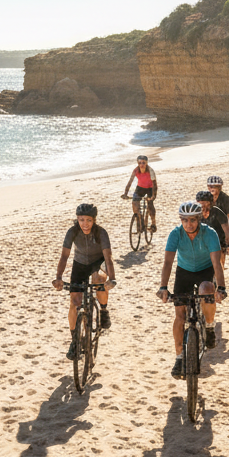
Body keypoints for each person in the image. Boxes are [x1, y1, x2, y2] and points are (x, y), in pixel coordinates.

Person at [157, 201, 225, 378]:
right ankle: (179, 356)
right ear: (181, 220)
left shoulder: (209, 234)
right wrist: (163, 287)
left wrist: (221, 288)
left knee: (206, 289)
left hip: (205, 270)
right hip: (184, 272)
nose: (189, 224)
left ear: (199, 219)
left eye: (193, 220)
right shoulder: (175, 234)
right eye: (185, 220)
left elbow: (217, 264)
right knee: (180, 316)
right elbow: (168, 263)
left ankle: (209, 326)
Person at [53, 203, 117, 361]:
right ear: (77, 219)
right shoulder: (72, 232)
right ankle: (75, 340)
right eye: (81, 220)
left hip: (98, 262)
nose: (85, 224)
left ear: (94, 220)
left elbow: (108, 258)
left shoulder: (101, 233)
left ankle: (103, 310)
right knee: (74, 302)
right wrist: (59, 277)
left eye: (88, 220)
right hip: (80, 263)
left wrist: (112, 278)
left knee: (98, 281)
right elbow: (64, 256)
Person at [195, 190, 229, 264]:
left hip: (219, 241)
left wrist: (228, 244)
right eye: (200, 203)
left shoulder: (217, 212)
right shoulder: (196, 214)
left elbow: (226, 229)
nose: (202, 205)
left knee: (219, 265)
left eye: (205, 203)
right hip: (203, 241)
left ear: (211, 203)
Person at [123, 154, 157, 232]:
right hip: (140, 188)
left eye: (143, 163)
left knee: (150, 205)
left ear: (147, 163)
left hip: (150, 189)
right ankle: (140, 221)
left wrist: (153, 196)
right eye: (140, 163)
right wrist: (125, 193)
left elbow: (155, 185)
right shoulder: (136, 170)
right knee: (134, 204)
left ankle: (153, 224)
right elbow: (130, 182)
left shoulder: (150, 171)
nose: (141, 165)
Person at [206, 175, 229, 246]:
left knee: (222, 252)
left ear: (219, 187)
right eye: (209, 186)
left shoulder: (225, 198)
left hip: (222, 227)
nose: (210, 188)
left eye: (213, 186)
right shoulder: (206, 198)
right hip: (208, 226)